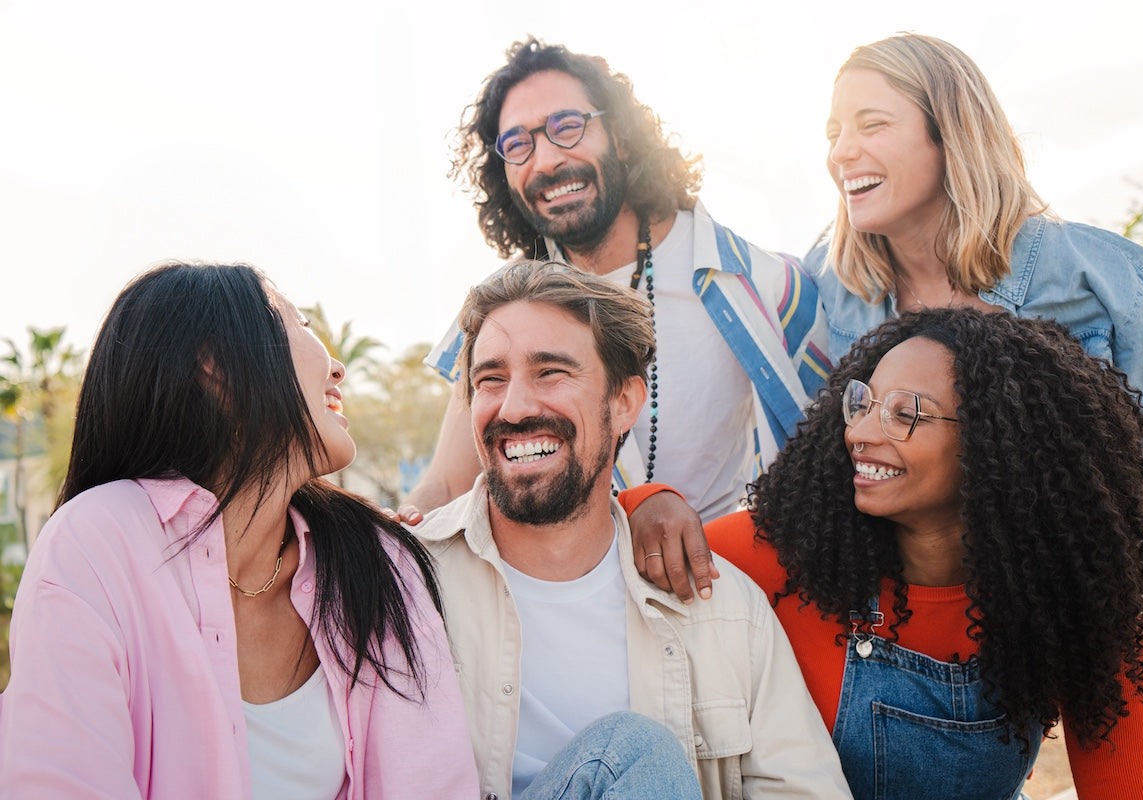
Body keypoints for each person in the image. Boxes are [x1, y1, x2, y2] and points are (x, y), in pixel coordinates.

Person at [805, 32, 1143, 791]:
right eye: (832, 132)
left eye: (872, 124)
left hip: (1114, 615)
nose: (841, 151)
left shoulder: (1081, 268)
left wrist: (1099, 528)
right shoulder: (843, 295)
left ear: (949, 132)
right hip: (944, 645)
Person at [0, 263, 479, 799]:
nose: (338, 367)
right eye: (299, 325)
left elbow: (434, 785)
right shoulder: (94, 545)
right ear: (216, 365)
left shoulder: (380, 560)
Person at [683, 308, 1143, 799]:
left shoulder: (1072, 600)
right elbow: (626, 563)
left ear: (994, 442)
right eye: (863, 404)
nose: (860, 433)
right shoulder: (780, 554)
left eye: (905, 414)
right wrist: (650, 504)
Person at [414, 261, 852, 800]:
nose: (516, 406)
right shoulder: (406, 582)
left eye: (550, 372)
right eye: (491, 380)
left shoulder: (723, 611)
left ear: (624, 402)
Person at [405, 37, 829, 553]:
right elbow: (447, 486)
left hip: (727, 592)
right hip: (569, 599)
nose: (546, 160)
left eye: (567, 127)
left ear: (622, 138)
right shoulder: (499, 312)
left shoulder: (759, 284)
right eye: (518, 145)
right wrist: (395, 531)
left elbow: (828, 463)